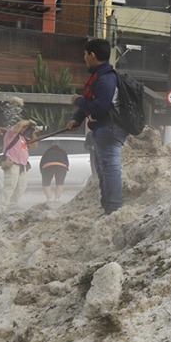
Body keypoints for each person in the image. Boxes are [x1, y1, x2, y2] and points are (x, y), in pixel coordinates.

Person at [66, 38, 126, 215]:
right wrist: (76, 119)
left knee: (109, 168)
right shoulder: (98, 77)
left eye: (85, 54)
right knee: (103, 168)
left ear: (92, 55)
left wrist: (79, 100)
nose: (84, 58)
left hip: (110, 128)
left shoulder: (106, 79)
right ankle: (108, 206)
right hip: (103, 128)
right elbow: (92, 100)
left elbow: (100, 107)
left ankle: (113, 208)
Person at [0, 119, 37, 208]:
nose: (24, 129)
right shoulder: (10, 134)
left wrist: (33, 132)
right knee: (10, 185)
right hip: (12, 163)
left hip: (23, 165)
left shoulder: (23, 138)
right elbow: (20, 124)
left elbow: (34, 145)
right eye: (24, 127)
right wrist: (30, 122)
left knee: (21, 187)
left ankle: (13, 204)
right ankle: (2, 205)